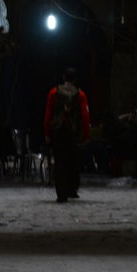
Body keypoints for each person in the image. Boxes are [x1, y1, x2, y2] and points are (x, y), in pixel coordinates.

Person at [43, 66, 90, 203]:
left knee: (60, 162)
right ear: (75, 79)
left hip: (58, 131)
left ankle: (61, 194)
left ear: (64, 77)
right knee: (73, 161)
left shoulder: (54, 92)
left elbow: (48, 114)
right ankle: (72, 189)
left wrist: (47, 133)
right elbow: (85, 116)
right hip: (72, 132)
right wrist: (85, 135)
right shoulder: (80, 95)